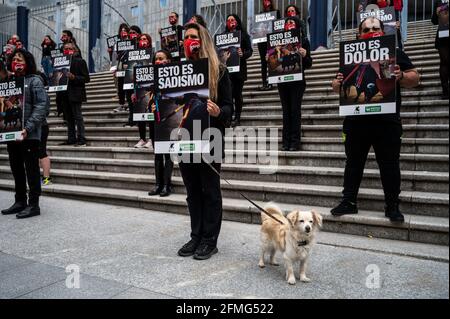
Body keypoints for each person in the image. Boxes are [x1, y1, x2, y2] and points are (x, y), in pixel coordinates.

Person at [330, 17, 420, 222]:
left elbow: (416, 78)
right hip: (355, 121)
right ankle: (349, 201)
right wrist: (335, 83)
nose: (372, 31)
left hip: (386, 121)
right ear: (359, 35)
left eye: (376, 28)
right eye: (367, 29)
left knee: (389, 164)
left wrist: (401, 77)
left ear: (383, 31)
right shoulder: (350, 57)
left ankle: (392, 206)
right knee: (353, 163)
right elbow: (337, 86)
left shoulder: (394, 52)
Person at [177, 22, 233, 260]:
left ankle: (210, 239)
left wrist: (218, 111)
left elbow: (231, 108)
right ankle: (196, 235)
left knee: (210, 190)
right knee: (192, 191)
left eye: (193, 36)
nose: (189, 40)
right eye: (186, 37)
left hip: (210, 136)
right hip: (184, 138)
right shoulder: (177, 72)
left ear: (204, 40)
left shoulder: (219, 71)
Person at [1, 49, 48, 219]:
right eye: (13, 59)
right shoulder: (9, 82)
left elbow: (42, 106)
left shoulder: (35, 80)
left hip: (29, 134)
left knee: (31, 169)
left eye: (19, 58)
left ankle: (33, 204)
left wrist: (27, 128)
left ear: (27, 61)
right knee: (16, 169)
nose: (16, 61)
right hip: (12, 134)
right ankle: (19, 200)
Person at [277, 16, 312, 152]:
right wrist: (271, 56)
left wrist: (305, 55)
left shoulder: (304, 41)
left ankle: (295, 142)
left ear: (297, 25)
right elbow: (278, 60)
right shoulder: (279, 42)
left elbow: (309, 64)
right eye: (286, 23)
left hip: (297, 81)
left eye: (291, 22)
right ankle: (285, 142)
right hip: (283, 81)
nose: (288, 24)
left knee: (294, 111)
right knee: (286, 112)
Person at [148, 50, 175, 198]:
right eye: (156, 59)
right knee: (157, 154)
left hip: (168, 120)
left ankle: (167, 185)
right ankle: (158, 184)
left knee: (168, 154)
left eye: (161, 58)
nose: (158, 61)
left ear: (168, 61)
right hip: (154, 120)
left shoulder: (175, 76)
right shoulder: (150, 78)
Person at [223, 14, 253, 127]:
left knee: (237, 94)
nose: (230, 21)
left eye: (233, 19)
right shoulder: (223, 36)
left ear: (237, 21)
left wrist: (243, 54)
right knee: (228, 95)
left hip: (239, 70)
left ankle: (238, 116)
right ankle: (228, 117)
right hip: (227, 71)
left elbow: (249, 51)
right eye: (228, 20)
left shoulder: (244, 35)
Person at [59, 42, 90, 146]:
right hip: (64, 94)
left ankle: (81, 139)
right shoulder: (60, 64)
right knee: (68, 118)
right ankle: (71, 138)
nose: (67, 50)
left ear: (75, 50)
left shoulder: (80, 62)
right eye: (65, 49)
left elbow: (86, 78)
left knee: (77, 116)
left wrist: (74, 77)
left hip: (76, 93)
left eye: (69, 48)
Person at [133, 33, 153, 148]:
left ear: (149, 41)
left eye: (144, 39)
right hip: (139, 90)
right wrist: (133, 92)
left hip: (150, 89)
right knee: (140, 115)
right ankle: (142, 138)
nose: (142, 41)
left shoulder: (153, 55)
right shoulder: (135, 57)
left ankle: (151, 139)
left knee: (150, 115)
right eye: (140, 39)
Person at [258, 0, 281, 91]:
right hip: (262, 41)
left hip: (272, 40)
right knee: (263, 61)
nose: (266, 2)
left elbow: (279, 26)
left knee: (272, 59)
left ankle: (271, 81)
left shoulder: (276, 12)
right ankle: (264, 82)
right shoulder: (260, 14)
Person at [122, 25, 142, 127]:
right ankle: (131, 119)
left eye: (134, 32)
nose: (131, 35)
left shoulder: (142, 44)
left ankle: (140, 120)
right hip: (129, 76)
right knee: (129, 99)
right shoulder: (127, 47)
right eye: (130, 33)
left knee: (139, 98)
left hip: (140, 77)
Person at [113, 24, 132, 113]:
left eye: (125, 30)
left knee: (128, 85)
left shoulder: (132, 41)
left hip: (129, 66)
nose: (123, 32)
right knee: (120, 85)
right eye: (121, 30)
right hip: (120, 66)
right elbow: (115, 56)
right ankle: (121, 104)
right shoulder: (117, 44)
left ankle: (129, 103)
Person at [432, 1, 449, 99]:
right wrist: (436, 13)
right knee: (444, 62)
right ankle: (445, 91)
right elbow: (434, 21)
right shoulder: (439, 2)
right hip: (443, 36)